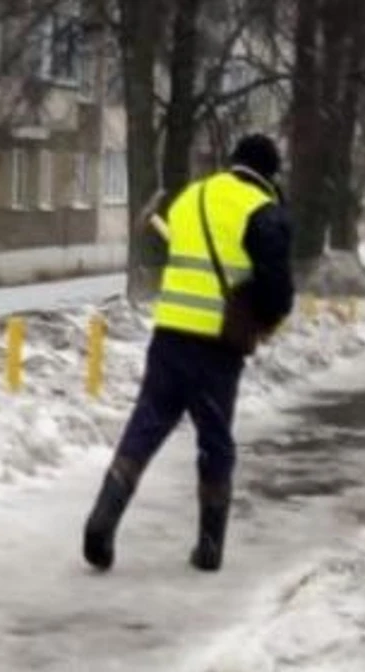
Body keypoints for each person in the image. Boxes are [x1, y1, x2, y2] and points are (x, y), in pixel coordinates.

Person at [82, 134, 295, 574]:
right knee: (214, 439)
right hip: (217, 345)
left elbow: (187, 249)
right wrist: (268, 316)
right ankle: (210, 546)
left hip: (169, 334)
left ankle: (103, 519)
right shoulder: (261, 209)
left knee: (147, 423)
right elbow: (277, 289)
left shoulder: (191, 198)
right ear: (269, 174)